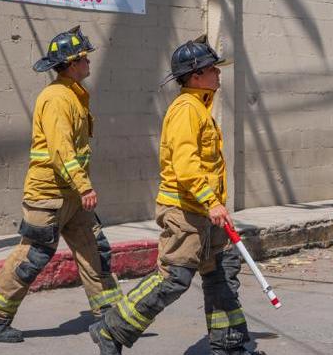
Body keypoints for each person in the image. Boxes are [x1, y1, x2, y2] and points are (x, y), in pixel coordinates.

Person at [91, 35, 261, 354]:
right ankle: (112, 329)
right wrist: (211, 202)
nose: (219, 74)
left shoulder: (199, 107)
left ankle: (230, 346)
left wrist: (214, 205)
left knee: (222, 272)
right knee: (174, 278)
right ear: (196, 75)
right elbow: (186, 165)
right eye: (213, 69)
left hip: (206, 212)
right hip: (186, 212)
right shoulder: (186, 109)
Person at [0, 26, 121, 343]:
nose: (88, 62)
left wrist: (80, 188)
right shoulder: (57, 99)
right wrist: (85, 187)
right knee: (33, 256)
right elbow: (62, 150)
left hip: (70, 195)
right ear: (71, 64)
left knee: (94, 251)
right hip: (49, 196)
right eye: (84, 58)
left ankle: (108, 315)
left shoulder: (73, 95)